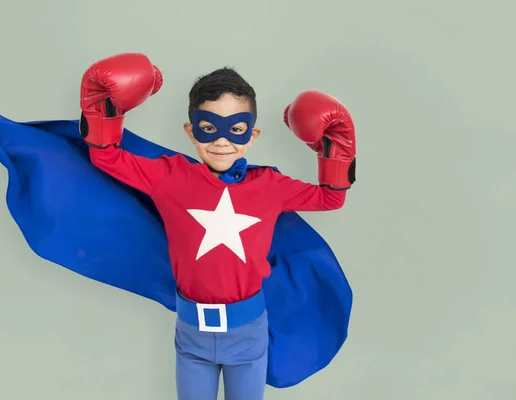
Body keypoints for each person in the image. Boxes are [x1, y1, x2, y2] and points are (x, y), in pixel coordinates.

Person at [79, 52, 356, 400]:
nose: (222, 141)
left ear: (251, 135)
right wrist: (102, 105)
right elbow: (105, 154)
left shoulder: (269, 185)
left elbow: (330, 198)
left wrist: (335, 147)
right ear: (190, 131)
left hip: (248, 332)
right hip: (192, 332)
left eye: (235, 129)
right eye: (209, 128)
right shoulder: (169, 176)